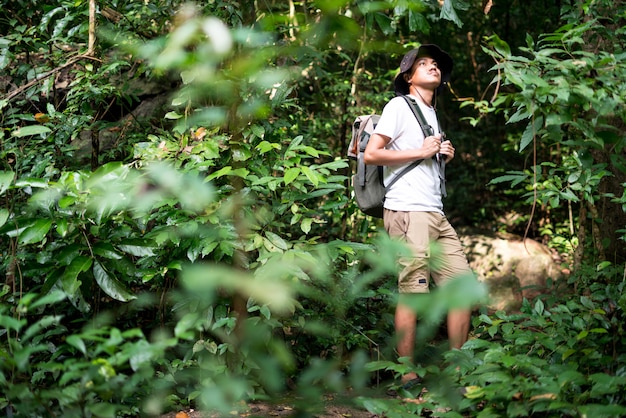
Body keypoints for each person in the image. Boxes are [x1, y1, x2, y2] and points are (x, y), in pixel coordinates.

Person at [363, 44, 472, 386]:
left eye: (435, 64)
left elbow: (420, 160)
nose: (433, 67)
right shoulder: (398, 106)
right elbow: (371, 154)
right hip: (408, 211)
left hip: (434, 213)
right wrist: (422, 150)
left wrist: (441, 156)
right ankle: (407, 373)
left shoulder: (433, 114)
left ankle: (458, 368)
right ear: (409, 77)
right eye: (423, 64)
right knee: (413, 291)